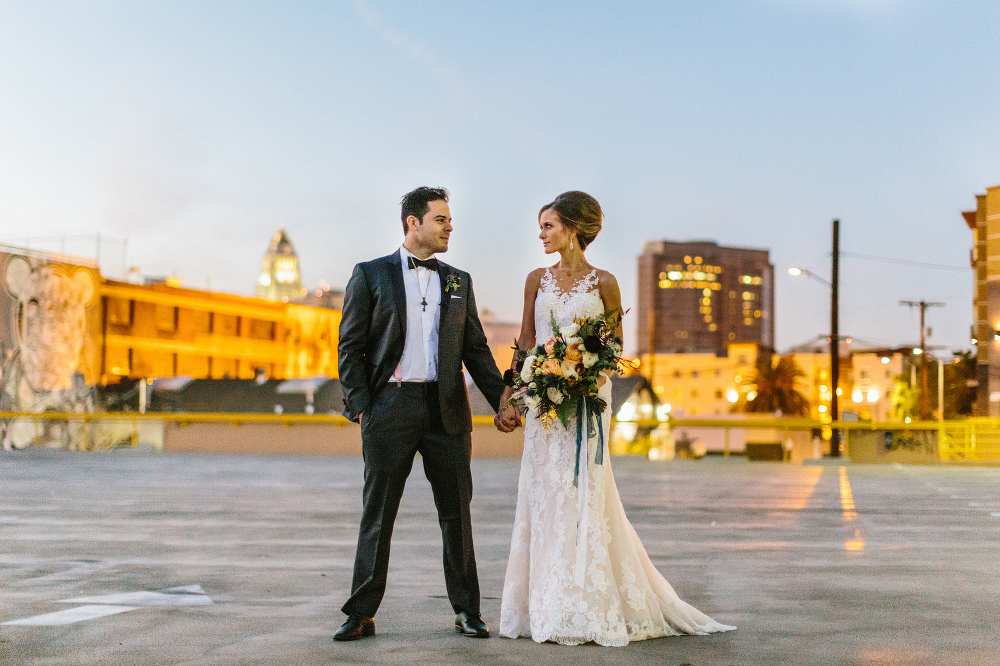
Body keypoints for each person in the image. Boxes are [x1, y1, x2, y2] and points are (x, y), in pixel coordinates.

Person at [496, 191, 736, 646]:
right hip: (544, 405)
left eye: (548, 226)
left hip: (587, 401)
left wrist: (583, 375)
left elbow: (614, 348)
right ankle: (546, 604)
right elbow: (526, 341)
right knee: (544, 498)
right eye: (541, 227)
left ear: (572, 228)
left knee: (585, 493)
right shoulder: (535, 280)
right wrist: (510, 395)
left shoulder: (604, 283)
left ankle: (586, 603)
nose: (541, 235)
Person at [335, 186, 517, 642]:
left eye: (450, 220)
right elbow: (350, 346)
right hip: (389, 408)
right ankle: (361, 613)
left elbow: (476, 350)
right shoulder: (370, 274)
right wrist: (362, 408)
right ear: (413, 223)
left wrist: (503, 401)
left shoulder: (459, 280)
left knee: (457, 513)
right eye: (441, 219)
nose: (449, 226)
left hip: (447, 410)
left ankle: (467, 610)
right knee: (378, 514)